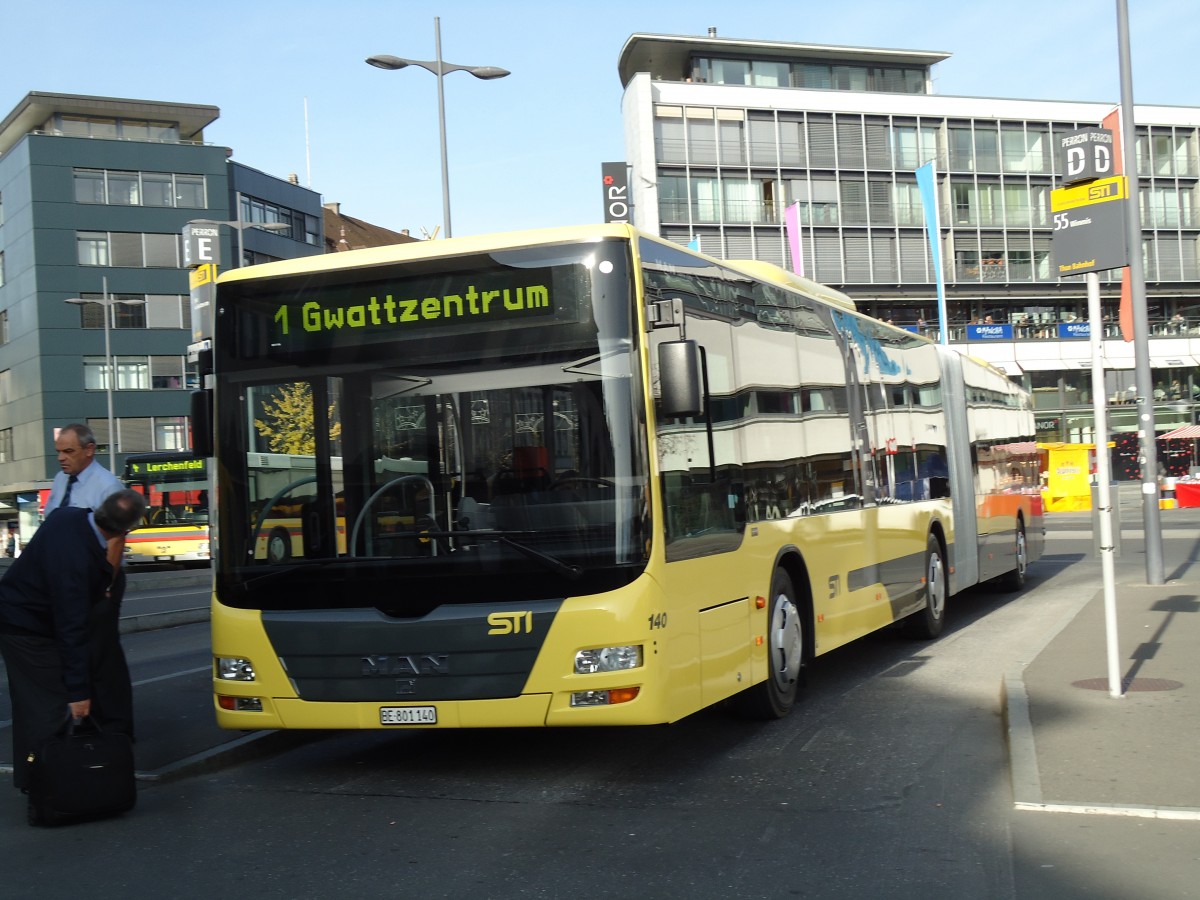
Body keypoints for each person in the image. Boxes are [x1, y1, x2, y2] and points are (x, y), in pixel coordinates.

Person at [0, 489, 146, 793]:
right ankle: (50, 789)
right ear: (125, 530)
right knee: (49, 707)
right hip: (27, 629)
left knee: (33, 706)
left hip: (18, 616)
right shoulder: (79, 564)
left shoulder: (67, 516)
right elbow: (72, 627)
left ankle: (37, 780)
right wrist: (79, 692)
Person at [44, 423, 123, 514]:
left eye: (68, 451)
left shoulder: (109, 487)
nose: (60, 458)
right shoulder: (60, 478)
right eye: (59, 452)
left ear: (89, 450)